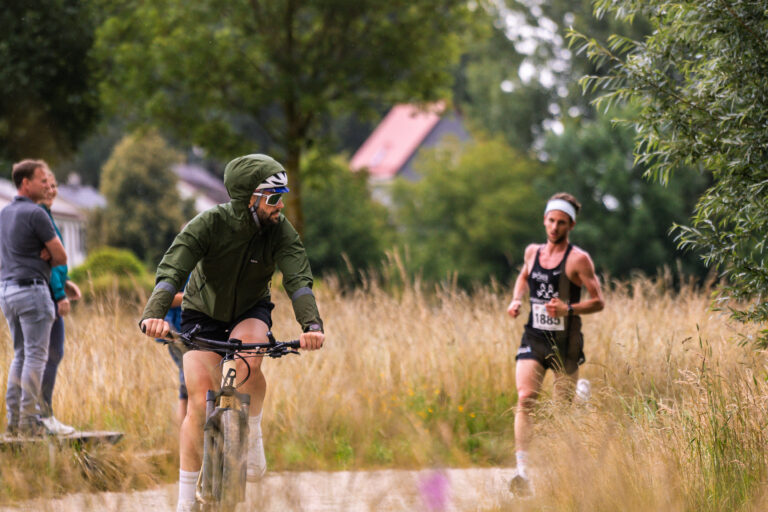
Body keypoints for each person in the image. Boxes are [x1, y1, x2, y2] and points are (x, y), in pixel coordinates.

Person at [139, 154, 325, 512]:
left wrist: (311, 326)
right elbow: (172, 270)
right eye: (274, 198)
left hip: (250, 310)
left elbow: (298, 280)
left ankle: (252, 433)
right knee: (198, 401)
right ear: (249, 198)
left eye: (282, 196)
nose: (281, 205)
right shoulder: (209, 223)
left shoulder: (281, 230)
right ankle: (183, 501)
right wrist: (154, 315)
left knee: (250, 357)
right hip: (202, 313)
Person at [506, 192, 605, 495]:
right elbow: (524, 277)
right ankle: (522, 473)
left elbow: (599, 301)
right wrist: (515, 300)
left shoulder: (579, 259)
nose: (554, 227)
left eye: (561, 223)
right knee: (525, 398)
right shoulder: (532, 252)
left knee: (562, 411)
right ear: (544, 220)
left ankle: (580, 400)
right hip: (534, 336)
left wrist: (569, 309)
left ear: (570, 225)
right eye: (551, 220)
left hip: (566, 342)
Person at [0, 159, 67, 437]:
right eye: (42, 180)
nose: (46, 185)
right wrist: (48, 255)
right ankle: (31, 421)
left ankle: (13, 420)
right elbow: (61, 255)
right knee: (37, 357)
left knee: (20, 355)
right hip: (33, 292)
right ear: (25, 183)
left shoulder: (3, 214)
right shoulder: (36, 214)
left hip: (7, 291)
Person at [37, 169, 80, 435]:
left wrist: (65, 282)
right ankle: (43, 415)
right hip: (48, 297)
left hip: (53, 290)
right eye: (46, 185)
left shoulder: (47, 215)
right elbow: (48, 261)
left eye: (54, 185)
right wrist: (59, 293)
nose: (52, 190)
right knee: (47, 356)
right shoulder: (40, 217)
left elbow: (56, 260)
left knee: (48, 355)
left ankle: (41, 413)